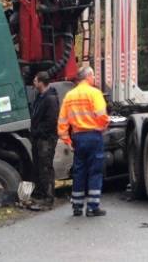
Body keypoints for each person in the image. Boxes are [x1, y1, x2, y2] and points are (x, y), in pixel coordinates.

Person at [58, 67, 109, 217]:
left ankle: (77, 206)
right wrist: (103, 126)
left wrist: (66, 139)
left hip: (78, 137)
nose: (94, 78)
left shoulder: (69, 96)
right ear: (87, 77)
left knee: (79, 171)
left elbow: (62, 120)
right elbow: (102, 115)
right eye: (93, 75)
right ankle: (93, 207)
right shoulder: (95, 93)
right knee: (95, 171)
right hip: (93, 136)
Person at [29, 71, 60, 207]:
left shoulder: (50, 99)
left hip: (46, 139)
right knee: (39, 166)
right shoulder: (39, 97)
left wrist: (38, 131)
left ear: (41, 82)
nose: (34, 83)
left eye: (35, 81)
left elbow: (51, 121)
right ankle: (41, 194)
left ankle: (48, 198)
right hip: (38, 138)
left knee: (45, 167)